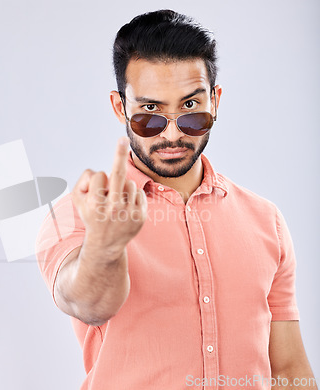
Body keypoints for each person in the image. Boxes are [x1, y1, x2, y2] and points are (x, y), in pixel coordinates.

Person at [35, 9, 317, 390]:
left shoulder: (267, 221)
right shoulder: (80, 213)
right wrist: (105, 247)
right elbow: (86, 304)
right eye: (150, 112)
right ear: (121, 107)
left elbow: (288, 369)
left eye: (189, 109)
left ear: (214, 102)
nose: (172, 134)